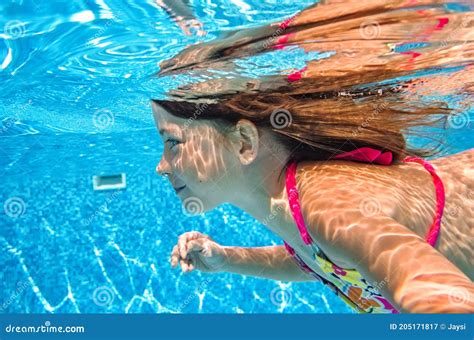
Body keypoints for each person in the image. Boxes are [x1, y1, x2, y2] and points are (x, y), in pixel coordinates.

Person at [152, 0, 474, 313]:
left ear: (244, 143)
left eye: (173, 143)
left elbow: (445, 301)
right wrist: (228, 259)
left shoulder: (326, 204)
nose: (160, 166)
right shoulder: (291, 206)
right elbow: (320, 260)